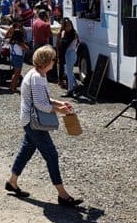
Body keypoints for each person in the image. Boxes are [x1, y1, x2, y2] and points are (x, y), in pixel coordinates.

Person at [5, 45, 81, 206]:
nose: (55, 62)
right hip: (34, 123)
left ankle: (12, 182)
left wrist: (59, 102)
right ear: (47, 61)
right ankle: (62, 195)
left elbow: (42, 98)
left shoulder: (36, 74)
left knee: (26, 151)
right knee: (51, 155)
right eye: (53, 59)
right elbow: (40, 104)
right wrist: (59, 109)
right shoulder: (38, 78)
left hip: (28, 121)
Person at [58, 18, 79, 97]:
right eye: (67, 25)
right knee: (67, 71)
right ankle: (74, 84)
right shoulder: (69, 33)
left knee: (69, 73)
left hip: (71, 54)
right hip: (69, 53)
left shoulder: (72, 34)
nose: (68, 27)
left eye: (70, 25)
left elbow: (63, 44)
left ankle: (70, 90)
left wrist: (63, 36)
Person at [8, 19, 28, 94]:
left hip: (13, 56)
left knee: (15, 73)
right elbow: (26, 49)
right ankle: (13, 88)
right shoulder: (19, 42)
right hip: (18, 57)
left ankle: (11, 86)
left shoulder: (11, 41)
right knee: (17, 74)